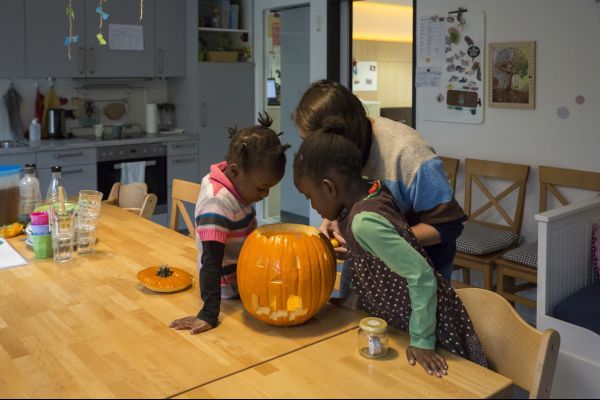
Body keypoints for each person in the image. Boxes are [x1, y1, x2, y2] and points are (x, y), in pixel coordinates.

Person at [293, 121, 487, 376]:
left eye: (310, 196)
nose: (313, 206)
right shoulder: (373, 188)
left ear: (329, 187)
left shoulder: (364, 223)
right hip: (401, 323)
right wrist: (353, 294)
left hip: (429, 326)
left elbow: (421, 276)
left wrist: (421, 342)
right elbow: (380, 261)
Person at [293, 80, 465, 280]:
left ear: (342, 139)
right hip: (369, 270)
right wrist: (331, 218)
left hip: (419, 276)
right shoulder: (333, 158)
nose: (308, 152)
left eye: (311, 143)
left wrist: (376, 241)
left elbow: (447, 225)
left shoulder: (409, 154)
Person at [170, 112, 290, 334]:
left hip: (244, 277)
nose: (265, 194)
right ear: (234, 171)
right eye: (262, 188)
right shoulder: (217, 205)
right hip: (230, 291)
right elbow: (211, 263)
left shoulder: (236, 184)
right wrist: (208, 314)